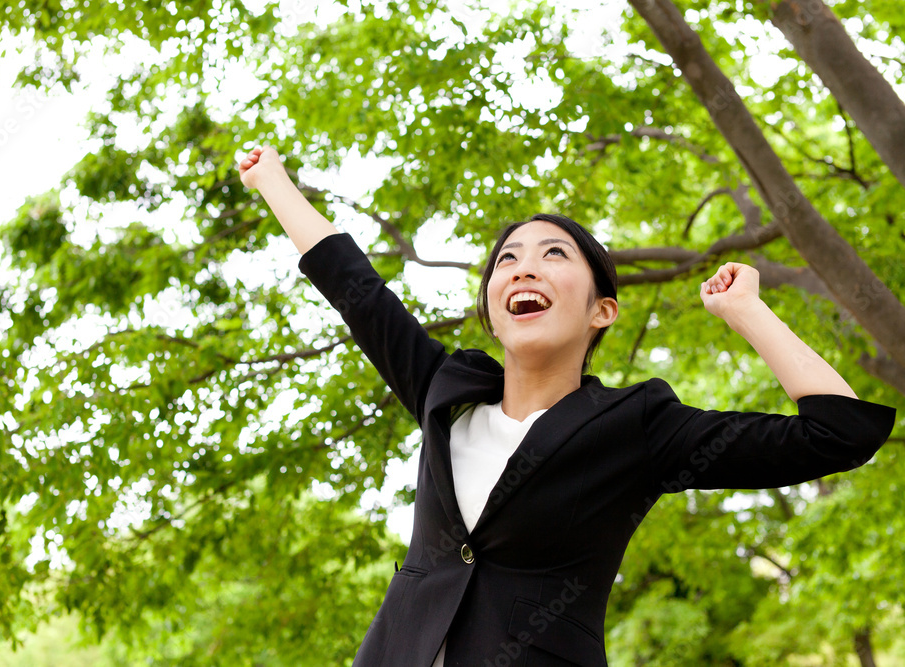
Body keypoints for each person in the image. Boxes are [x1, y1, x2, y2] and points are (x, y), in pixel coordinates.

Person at [238, 145, 896, 666]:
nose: (524, 268)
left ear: (601, 310)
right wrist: (274, 181)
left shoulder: (637, 427)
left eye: (554, 254)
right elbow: (354, 285)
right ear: (493, 311)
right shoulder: (444, 391)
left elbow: (839, 433)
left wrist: (747, 312)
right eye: (508, 260)